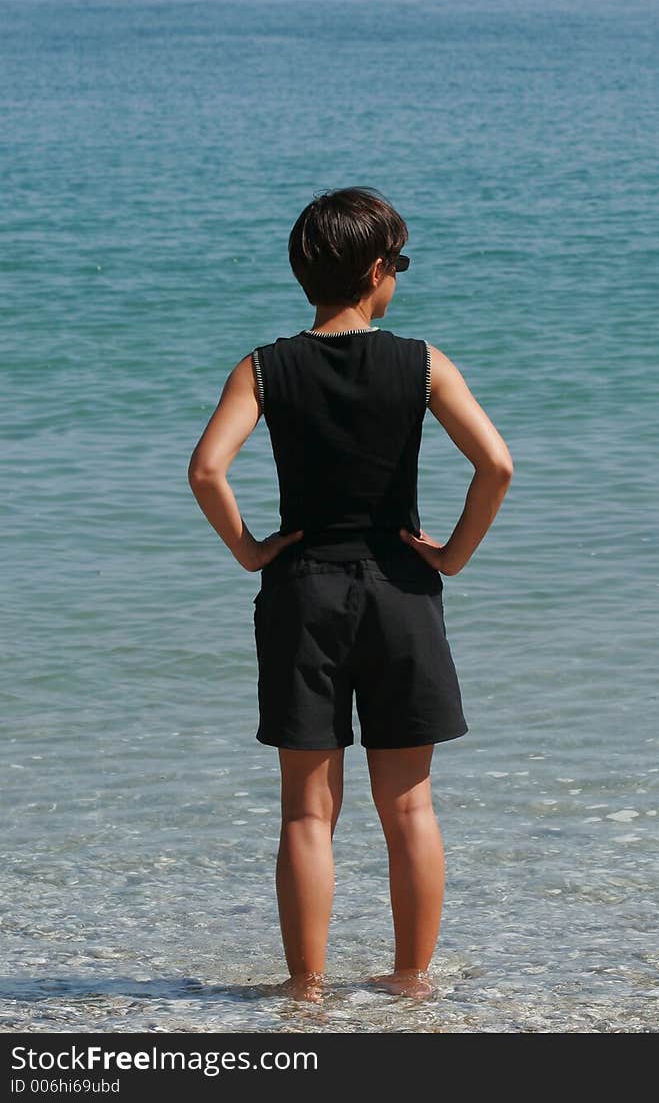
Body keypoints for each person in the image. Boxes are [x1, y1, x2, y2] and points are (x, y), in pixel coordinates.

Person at [188, 187, 513, 1001]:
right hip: (401, 589)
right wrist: (453, 556)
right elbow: (497, 466)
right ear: (377, 272)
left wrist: (251, 549)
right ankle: (410, 982)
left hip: (301, 590)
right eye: (396, 265)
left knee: (306, 809)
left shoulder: (264, 367)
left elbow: (206, 469)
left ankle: (304, 988)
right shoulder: (423, 364)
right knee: (408, 808)